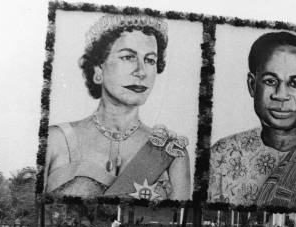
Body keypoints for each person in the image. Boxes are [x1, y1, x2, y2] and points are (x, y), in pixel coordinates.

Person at [44, 14, 191, 201]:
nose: (141, 72)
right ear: (98, 69)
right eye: (128, 57)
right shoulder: (55, 142)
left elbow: (181, 226)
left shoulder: (171, 152)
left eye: (150, 60)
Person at [208, 31, 296, 209]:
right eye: (270, 81)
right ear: (252, 85)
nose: (281, 95)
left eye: (295, 84)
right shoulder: (222, 156)